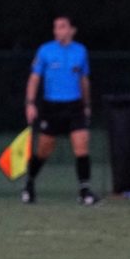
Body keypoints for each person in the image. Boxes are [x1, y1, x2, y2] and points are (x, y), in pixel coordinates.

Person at [22, 16, 99, 206]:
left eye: (62, 27)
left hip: (74, 107)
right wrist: (30, 103)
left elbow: (84, 80)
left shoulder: (80, 51)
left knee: (81, 146)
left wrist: (87, 105)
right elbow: (34, 78)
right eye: (56, 27)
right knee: (43, 150)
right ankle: (29, 184)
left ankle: (84, 190)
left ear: (72, 30)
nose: (58, 31)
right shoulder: (45, 50)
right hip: (51, 107)